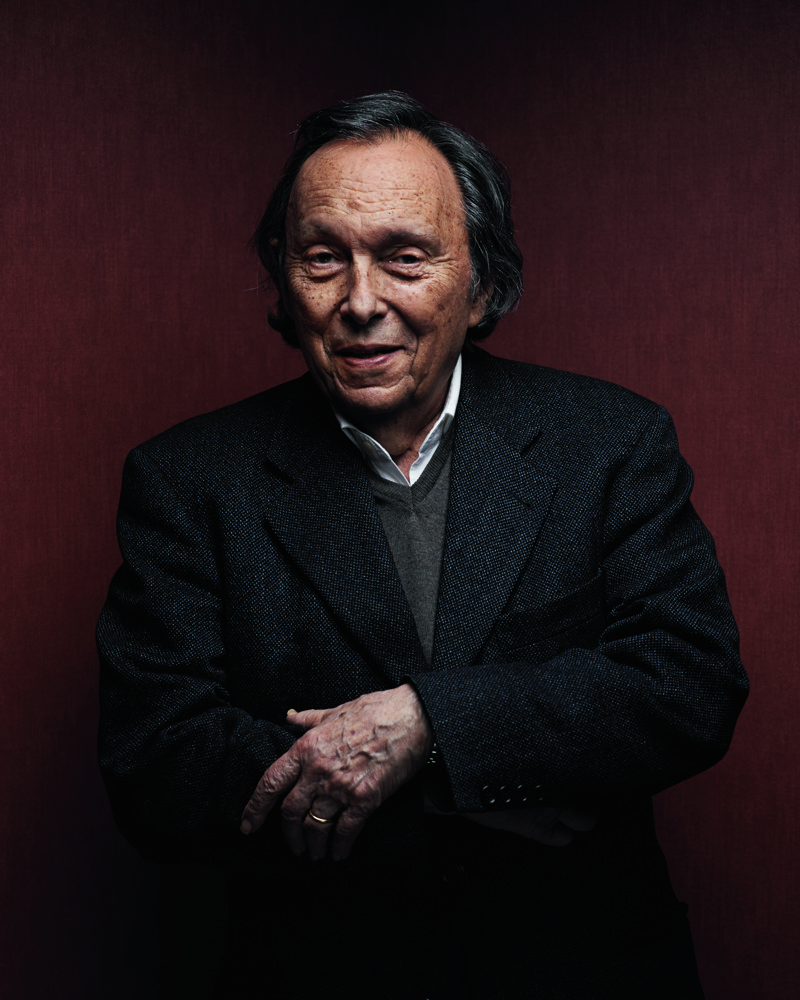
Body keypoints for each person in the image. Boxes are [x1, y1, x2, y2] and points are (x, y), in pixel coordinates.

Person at [97, 92, 748, 999]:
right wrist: (444, 787)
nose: (361, 302)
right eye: (323, 258)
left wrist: (426, 725)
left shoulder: (609, 442)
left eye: (406, 258)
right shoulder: (188, 478)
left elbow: (688, 684)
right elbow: (159, 770)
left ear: (480, 282)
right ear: (283, 277)